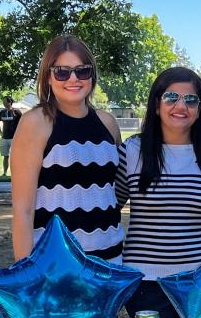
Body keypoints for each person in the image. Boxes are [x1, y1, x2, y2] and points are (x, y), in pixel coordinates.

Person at [115, 67, 201, 318]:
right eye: (171, 98)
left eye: (190, 100)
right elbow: (108, 209)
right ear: (156, 105)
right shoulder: (132, 151)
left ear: (200, 109)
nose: (181, 106)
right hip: (146, 285)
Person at [10, 35, 124, 263]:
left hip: (111, 261)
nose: (73, 79)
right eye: (62, 71)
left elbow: (112, 193)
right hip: (57, 265)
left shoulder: (108, 123)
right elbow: (23, 210)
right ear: (48, 77)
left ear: (92, 75)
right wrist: (26, 274)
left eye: (82, 71)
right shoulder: (35, 123)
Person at [0, 96, 22, 177]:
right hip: (4, 138)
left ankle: (15, 173)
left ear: (10, 102)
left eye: (5, 101)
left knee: (14, 157)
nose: (4, 103)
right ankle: (4, 173)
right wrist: (0, 132)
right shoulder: (2, 112)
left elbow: (23, 122)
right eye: (3, 102)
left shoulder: (16, 112)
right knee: (5, 156)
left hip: (13, 138)